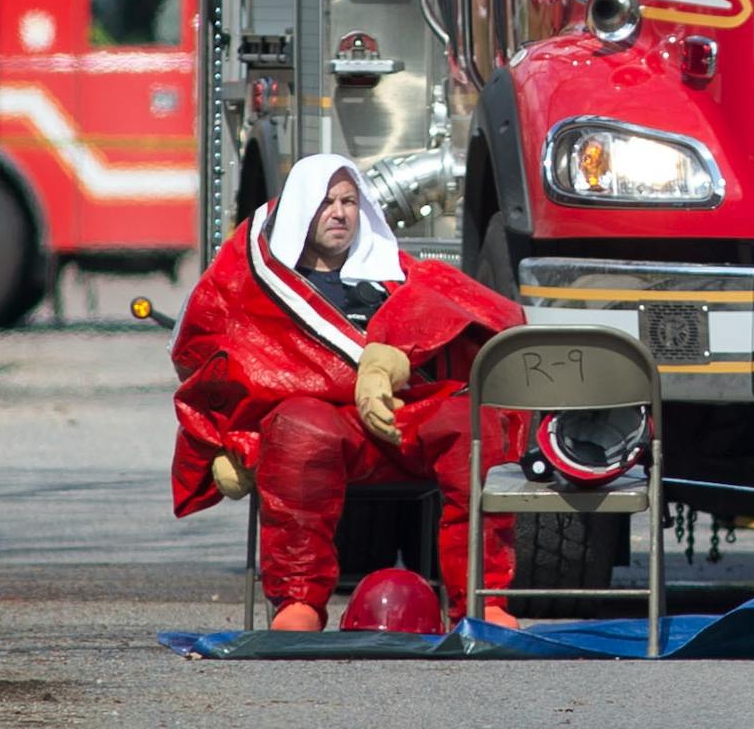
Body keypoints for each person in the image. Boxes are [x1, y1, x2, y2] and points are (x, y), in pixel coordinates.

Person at [169, 154, 527, 629]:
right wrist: (238, 441)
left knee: (474, 426)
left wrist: (391, 358)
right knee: (298, 425)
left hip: (409, 417)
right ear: (300, 212)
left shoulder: (396, 274)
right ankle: (299, 603)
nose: (339, 213)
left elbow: (466, 318)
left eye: (349, 202)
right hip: (333, 428)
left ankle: (483, 601)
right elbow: (233, 367)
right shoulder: (259, 291)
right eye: (326, 204)